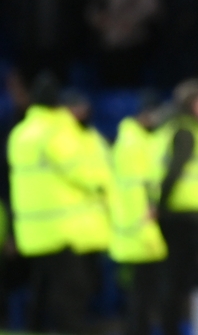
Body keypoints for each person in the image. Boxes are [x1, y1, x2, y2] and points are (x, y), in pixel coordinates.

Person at [7, 73, 108, 333]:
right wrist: (105, 183)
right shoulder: (56, 132)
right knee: (73, 292)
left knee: (41, 290)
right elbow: (81, 171)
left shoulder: (19, 134)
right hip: (64, 229)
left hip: (33, 230)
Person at [153, 78, 198, 335]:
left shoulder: (185, 129)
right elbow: (173, 172)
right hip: (182, 218)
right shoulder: (186, 131)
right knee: (177, 282)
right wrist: (160, 206)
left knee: (179, 281)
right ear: (194, 103)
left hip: (189, 217)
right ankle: (171, 329)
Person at [109, 92, 168, 335]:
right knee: (141, 295)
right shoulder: (134, 142)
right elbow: (138, 185)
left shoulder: (132, 139)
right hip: (140, 228)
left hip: (133, 228)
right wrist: (149, 210)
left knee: (139, 294)